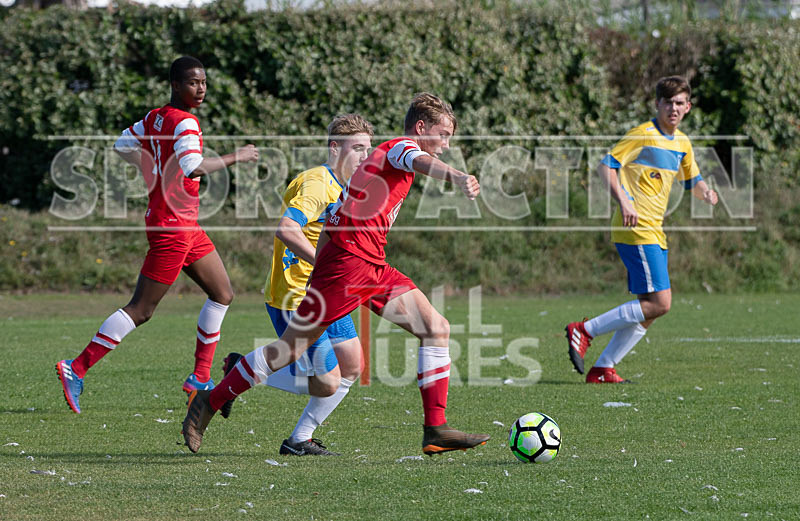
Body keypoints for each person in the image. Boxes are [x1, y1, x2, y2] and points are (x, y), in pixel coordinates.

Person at [183, 93, 490, 455]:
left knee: (435, 327)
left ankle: (435, 428)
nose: (446, 144)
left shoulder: (376, 169)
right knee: (289, 349)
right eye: (443, 134)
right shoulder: (401, 148)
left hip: (371, 265)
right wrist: (455, 176)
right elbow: (415, 158)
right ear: (421, 128)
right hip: (346, 268)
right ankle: (209, 402)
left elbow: (335, 220)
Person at [56, 56, 259, 413]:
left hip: (183, 225)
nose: (201, 89)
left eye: (204, 82)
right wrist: (236, 156)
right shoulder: (186, 123)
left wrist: (150, 170)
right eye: (193, 82)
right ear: (176, 85)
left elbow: (122, 145)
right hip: (173, 229)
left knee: (223, 293)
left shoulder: (155, 117)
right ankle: (76, 367)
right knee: (142, 309)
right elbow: (193, 167)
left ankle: (199, 377)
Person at [227, 114, 373, 456]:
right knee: (327, 382)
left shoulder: (348, 187)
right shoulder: (316, 183)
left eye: (369, 148)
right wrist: (324, 262)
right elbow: (287, 229)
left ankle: (298, 440)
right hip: (295, 293)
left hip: (327, 292)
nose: (366, 157)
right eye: (358, 149)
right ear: (335, 148)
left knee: (352, 366)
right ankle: (244, 370)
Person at [565, 76, 718, 383]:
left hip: (654, 230)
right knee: (660, 303)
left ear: (688, 107)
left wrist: (708, 193)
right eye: (667, 102)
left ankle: (603, 368)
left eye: (679, 103)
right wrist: (624, 201)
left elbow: (691, 180)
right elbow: (605, 166)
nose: (673, 109)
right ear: (657, 104)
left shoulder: (682, 143)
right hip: (635, 228)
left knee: (652, 309)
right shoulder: (643, 135)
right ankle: (584, 330)